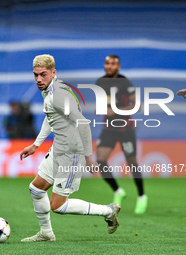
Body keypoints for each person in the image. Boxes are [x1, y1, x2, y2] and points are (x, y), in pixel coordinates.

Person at [19, 54, 121, 242]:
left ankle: (108, 211)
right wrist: (35, 144)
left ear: (53, 72)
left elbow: (83, 123)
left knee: (58, 206)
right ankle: (46, 234)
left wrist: (89, 157)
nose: (39, 79)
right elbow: (51, 118)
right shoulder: (49, 91)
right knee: (36, 188)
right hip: (59, 148)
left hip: (72, 153)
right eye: (36, 75)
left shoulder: (59, 95)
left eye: (43, 74)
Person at [95, 55, 147, 214]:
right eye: (107, 63)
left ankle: (141, 196)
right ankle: (118, 191)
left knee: (132, 163)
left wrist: (115, 110)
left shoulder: (124, 82)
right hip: (109, 128)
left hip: (125, 128)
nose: (109, 66)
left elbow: (138, 105)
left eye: (113, 64)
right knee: (100, 160)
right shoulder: (100, 82)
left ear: (118, 66)